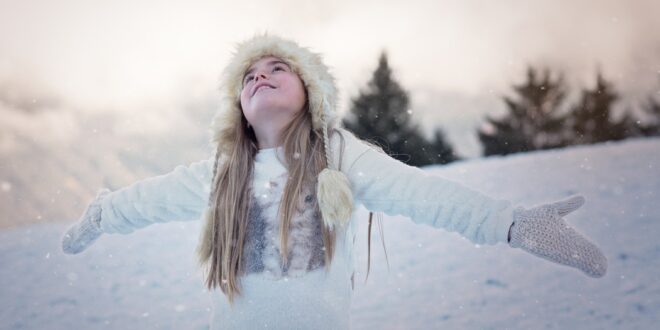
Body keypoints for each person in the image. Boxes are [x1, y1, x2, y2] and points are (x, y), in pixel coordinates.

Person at [61, 33, 608, 329]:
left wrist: (512, 224)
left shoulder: (339, 156)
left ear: (310, 92)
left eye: (277, 69)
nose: (261, 77)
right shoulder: (223, 174)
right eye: (249, 77)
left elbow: (423, 194)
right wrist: (104, 212)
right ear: (239, 110)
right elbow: (150, 199)